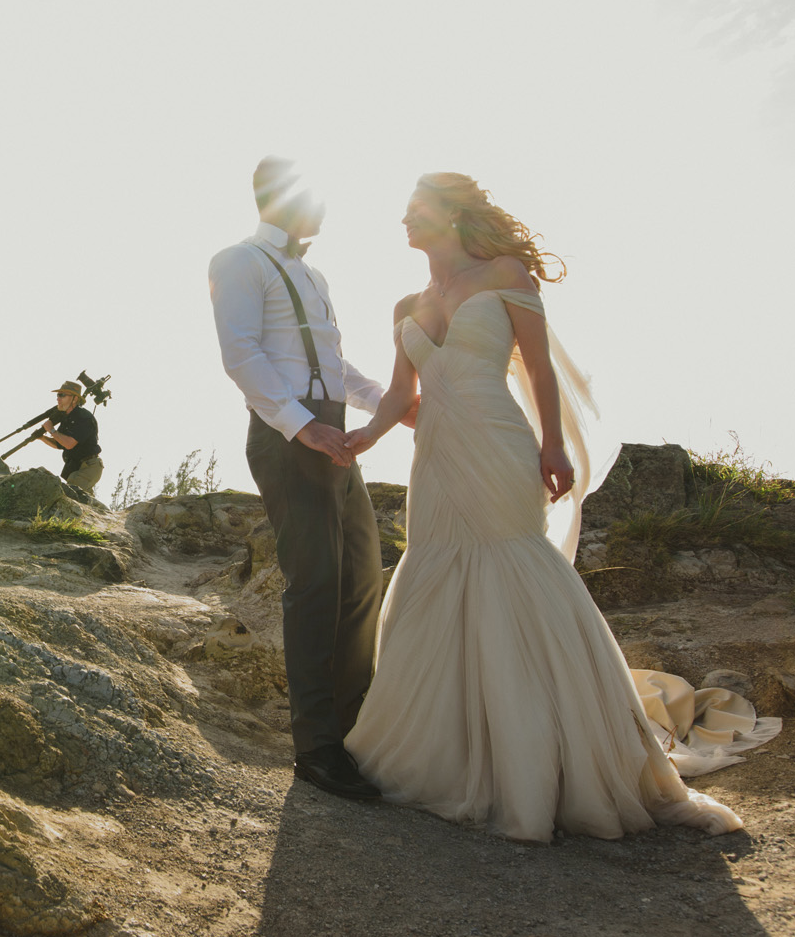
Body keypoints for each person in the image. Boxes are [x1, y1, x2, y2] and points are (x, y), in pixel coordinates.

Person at [341, 172, 742, 841]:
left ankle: (550, 764)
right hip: (436, 460)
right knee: (437, 575)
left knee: (514, 569)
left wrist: (554, 445)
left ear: (452, 213)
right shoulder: (404, 304)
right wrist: (361, 438)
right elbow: (396, 395)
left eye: (416, 209)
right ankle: (456, 759)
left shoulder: (504, 271)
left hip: (499, 445)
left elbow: (539, 367)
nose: (403, 220)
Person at [208, 156, 407, 800]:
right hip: (286, 435)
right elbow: (241, 354)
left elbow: (336, 365)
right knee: (316, 581)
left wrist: (396, 407)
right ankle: (317, 748)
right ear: (277, 198)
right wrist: (301, 427)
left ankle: (353, 728)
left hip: (334, 432)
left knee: (361, 574)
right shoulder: (236, 261)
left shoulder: (314, 273)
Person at [38, 380, 103, 496]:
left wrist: (51, 430)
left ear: (75, 399)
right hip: (77, 466)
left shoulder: (84, 418)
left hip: (89, 466)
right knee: (84, 501)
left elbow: (69, 444)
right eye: (58, 395)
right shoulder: (67, 418)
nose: (58, 398)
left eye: (62, 395)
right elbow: (59, 444)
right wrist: (41, 438)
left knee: (70, 495)